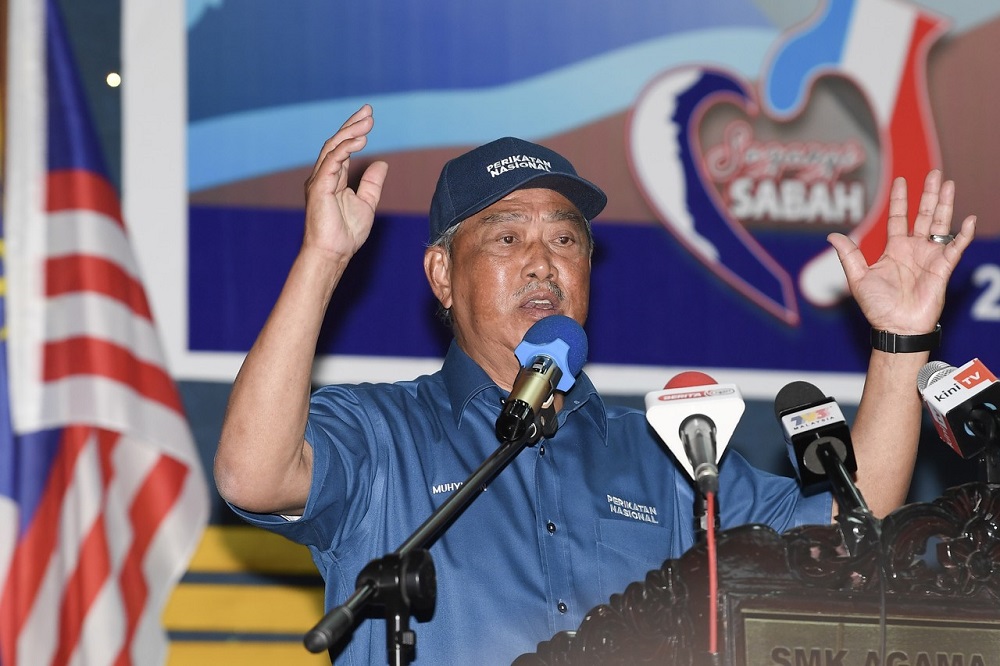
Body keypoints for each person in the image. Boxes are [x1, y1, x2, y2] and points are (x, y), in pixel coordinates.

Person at [214, 104, 977, 664]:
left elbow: (851, 526)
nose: (543, 261)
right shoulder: (386, 433)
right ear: (442, 275)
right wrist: (322, 257)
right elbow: (253, 474)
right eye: (507, 237)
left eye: (566, 239)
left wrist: (900, 340)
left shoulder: (668, 451)